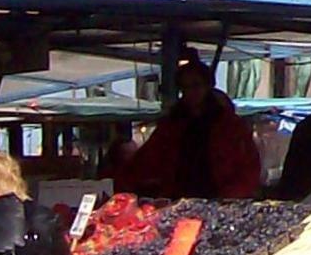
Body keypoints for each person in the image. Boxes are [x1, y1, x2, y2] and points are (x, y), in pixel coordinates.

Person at [112, 55, 263, 199]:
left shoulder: (231, 126)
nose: (190, 92)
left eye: (195, 85)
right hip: (179, 200)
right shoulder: (172, 125)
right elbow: (147, 160)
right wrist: (118, 184)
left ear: (207, 86)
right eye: (185, 88)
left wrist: (228, 198)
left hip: (219, 201)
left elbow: (249, 168)